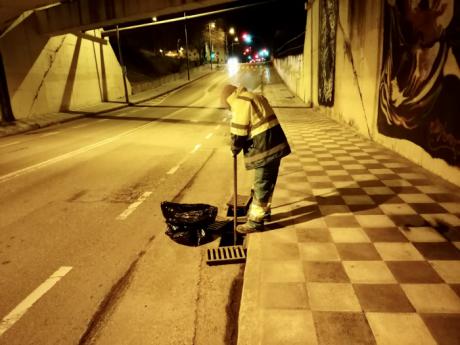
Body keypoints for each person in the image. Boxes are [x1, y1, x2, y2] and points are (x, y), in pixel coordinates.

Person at [221, 84, 291, 234]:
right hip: (274, 143)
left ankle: (255, 222)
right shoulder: (253, 96)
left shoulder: (240, 102)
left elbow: (238, 133)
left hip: (266, 148)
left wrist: (234, 149)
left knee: (261, 183)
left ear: (228, 99)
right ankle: (264, 212)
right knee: (267, 182)